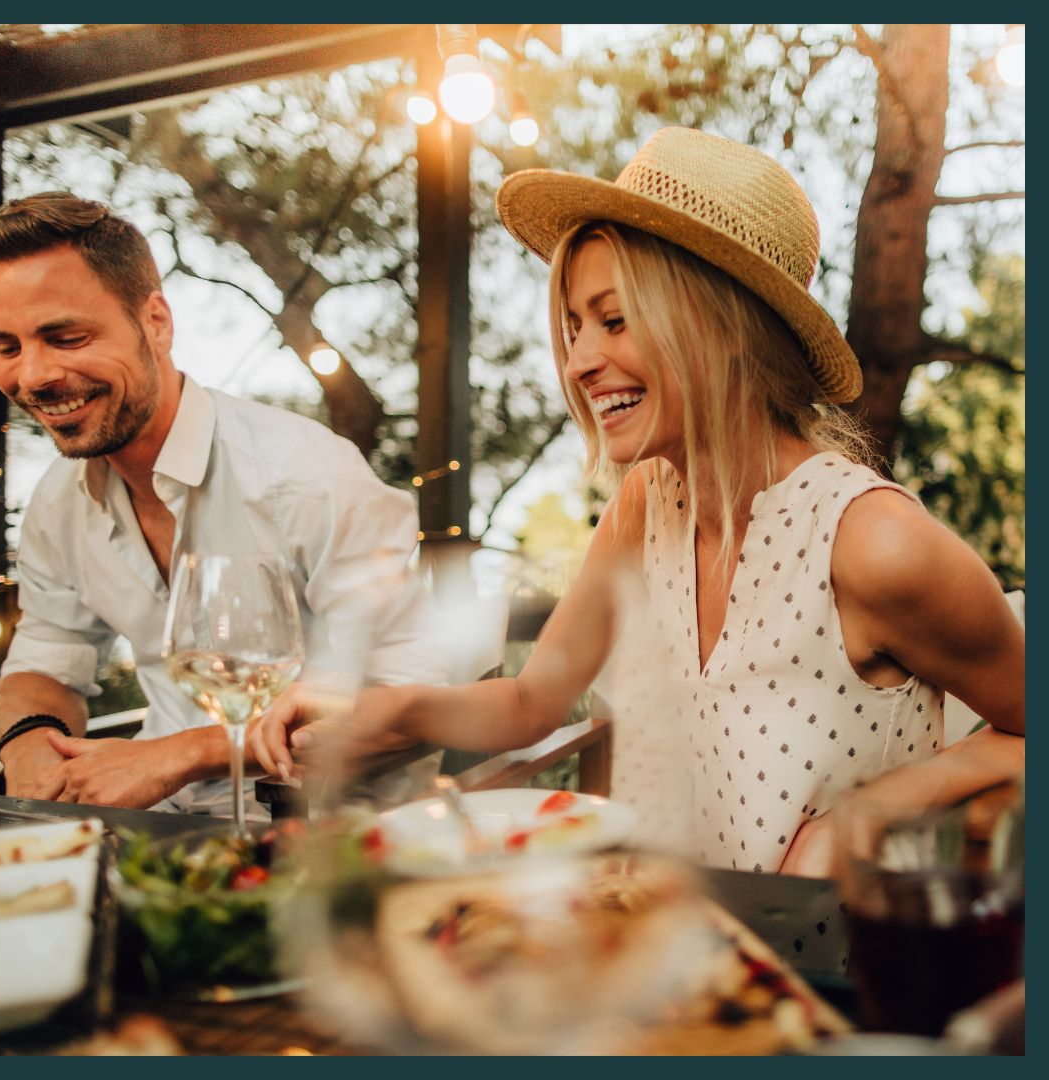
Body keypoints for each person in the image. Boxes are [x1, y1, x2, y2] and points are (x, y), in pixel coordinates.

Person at [252, 127, 1024, 874]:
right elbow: (531, 701)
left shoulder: (873, 542)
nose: (581, 362)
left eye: (614, 321)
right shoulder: (645, 505)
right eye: (575, 326)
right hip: (675, 961)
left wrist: (878, 808)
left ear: (721, 325)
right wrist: (396, 711)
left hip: (843, 978)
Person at [0, 191, 447, 815]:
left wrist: (184, 753)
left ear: (156, 322)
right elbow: (46, 663)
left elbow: (415, 699)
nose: (32, 376)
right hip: (156, 834)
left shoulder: (306, 477)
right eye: (5, 347)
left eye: (65, 337)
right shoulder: (56, 505)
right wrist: (25, 746)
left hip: (338, 840)